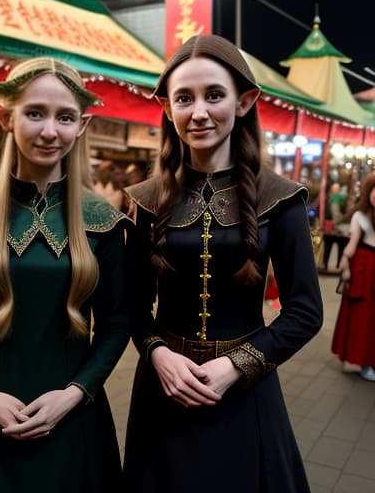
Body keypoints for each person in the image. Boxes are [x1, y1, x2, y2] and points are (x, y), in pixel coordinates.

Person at [122, 34, 323, 493]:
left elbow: (306, 311)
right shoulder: (145, 201)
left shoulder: (282, 198)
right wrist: (158, 355)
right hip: (163, 390)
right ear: (167, 108)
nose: (199, 112)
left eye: (214, 95)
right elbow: (131, 305)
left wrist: (235, 367)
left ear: (244, 101)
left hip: (247, 390)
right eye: (184, 98)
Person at [0, 57, 130, 493]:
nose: (50, 131)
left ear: (83, 125)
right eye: (35, 113)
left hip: (75, 421)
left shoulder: (103, 221)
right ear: (5, 116)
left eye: (65, 117)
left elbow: (115, 326)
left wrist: (73, 394)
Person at [331, 172, 375, 381]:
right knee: (362, 315)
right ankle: (363, 361)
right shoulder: (360, 215)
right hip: (363, 267)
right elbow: (351, 245)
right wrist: (345, 266)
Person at [321, 182, 349, 271]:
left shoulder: (343, 200)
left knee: (341, 247)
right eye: (335, 188)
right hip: (329, 227)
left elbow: (346, 212)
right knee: (327, 247)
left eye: (338, 188)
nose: (336, 190)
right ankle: (325, 265)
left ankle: (337, 266)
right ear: (332, 189)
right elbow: (324, 212)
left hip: (340, 228)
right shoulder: (327, 199)